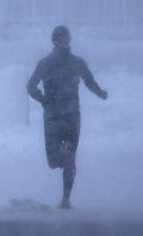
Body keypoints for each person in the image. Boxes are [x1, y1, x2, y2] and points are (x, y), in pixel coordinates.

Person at [27, 25, 108, 209]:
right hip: (72, 115)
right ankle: (66, 198)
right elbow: (89, 82)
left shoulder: (44, 63)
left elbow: (30, 86)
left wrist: (43, 100)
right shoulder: (77, 62)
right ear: (69, 41)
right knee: (70, 158)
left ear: (53, 41)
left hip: (53, 116)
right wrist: (101, 93)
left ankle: (60, 155)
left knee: (53, 162)